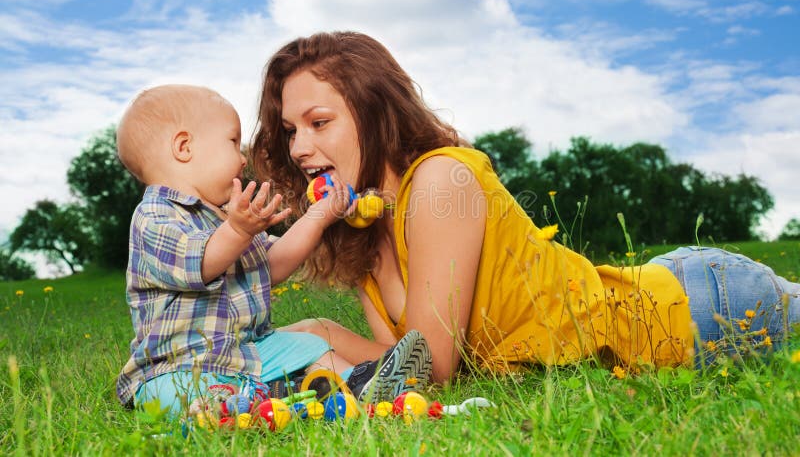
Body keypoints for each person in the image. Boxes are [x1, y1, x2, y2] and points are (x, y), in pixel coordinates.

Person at [251, 31, 800, 383]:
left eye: (319, 123)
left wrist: (318, 332)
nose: (299, 148)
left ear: (374, 113)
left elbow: (432, 367)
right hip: (652, 284)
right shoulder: (361, 231)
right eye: (291, 130)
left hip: (697, 307)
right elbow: (398, 367)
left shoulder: (442, 178)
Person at [115, 84, 432, 413]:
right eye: (232, 142)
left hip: (245, 354)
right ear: (184, 147)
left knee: (308, 346)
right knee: (176, 393)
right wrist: (238, 230)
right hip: (179, 366)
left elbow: (272, 264)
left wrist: (319, 217)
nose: (242, 158)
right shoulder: (154, 216)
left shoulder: (223, 219)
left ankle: (363, 383)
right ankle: (224, 409)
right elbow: (200, 263)